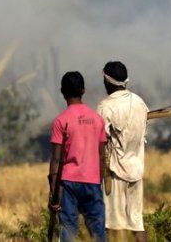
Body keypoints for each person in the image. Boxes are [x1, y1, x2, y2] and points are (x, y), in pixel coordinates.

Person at [48, 71, 107, 242]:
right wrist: (98, 182)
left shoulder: (61, 120)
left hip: (68, 183)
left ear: (62, 92)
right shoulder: (97, 119)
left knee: (68, 231)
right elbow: (102, 156)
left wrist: (53, 192)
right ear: (83, 90)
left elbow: (56, 160)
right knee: (98, 232)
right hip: (93, 182)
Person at [96, 61, 149, 242]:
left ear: (107, 81)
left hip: (115, 173)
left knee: (112, 226)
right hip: (136, 171)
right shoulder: (140, 103)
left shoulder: (105, 106)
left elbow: (100, 141)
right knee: (137, 224)